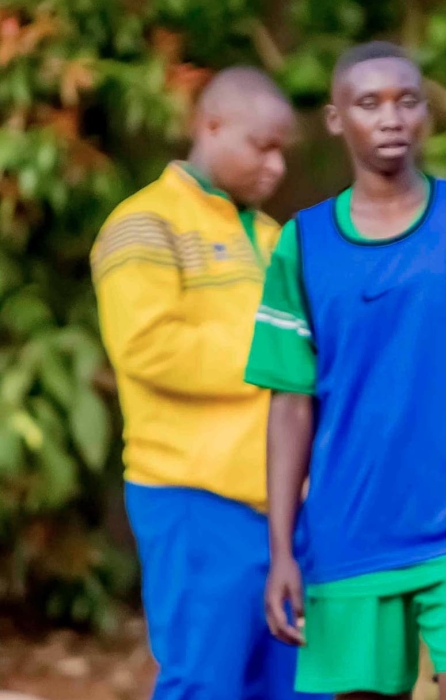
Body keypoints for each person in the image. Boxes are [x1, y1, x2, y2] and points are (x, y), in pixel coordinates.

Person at [244, 41, 446, 700]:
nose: (391, 117)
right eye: (369, 103)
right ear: (338, 119)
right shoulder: (302, 243)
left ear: (426, 112)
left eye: (407, 100)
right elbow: (290, 405)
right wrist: (282, 549)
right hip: (349, 532)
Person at [91, 68, 321, 699]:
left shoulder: (274, 239)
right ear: (209, 126)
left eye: (283, 152)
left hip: (287, 508)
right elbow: (149, 348)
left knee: (302, 683)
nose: (274, 167)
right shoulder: (143, 224)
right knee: (206, 681)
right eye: (261, 146)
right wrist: (282, 357)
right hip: (193, 498)